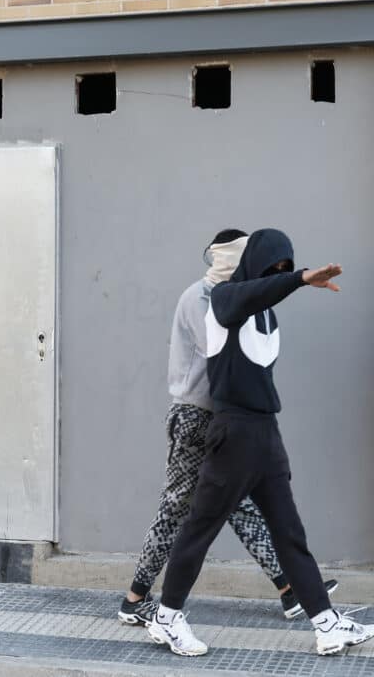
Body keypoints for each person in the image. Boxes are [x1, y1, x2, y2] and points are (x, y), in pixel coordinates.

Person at [147, 228, 374, 657]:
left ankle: (325, 623)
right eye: (273, 267)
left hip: (266, 435)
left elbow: (265, 299)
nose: (279, 274)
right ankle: (166, 617)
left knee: (289, 532)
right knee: (199, 530)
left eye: (285, 267)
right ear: (254, 266)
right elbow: (253, 295)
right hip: (232, 435)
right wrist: (301, 278)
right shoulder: (224, 300)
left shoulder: (267, 312)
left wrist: (293, 282)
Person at [119, 229, 336, 627]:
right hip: (195, 415)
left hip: (224, 420)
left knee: (240, 507)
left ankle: (291, 590)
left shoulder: (243, 296)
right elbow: (226, 349)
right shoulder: (207, 298)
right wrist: (289, 284)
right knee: (180, 509)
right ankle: (136, 597)